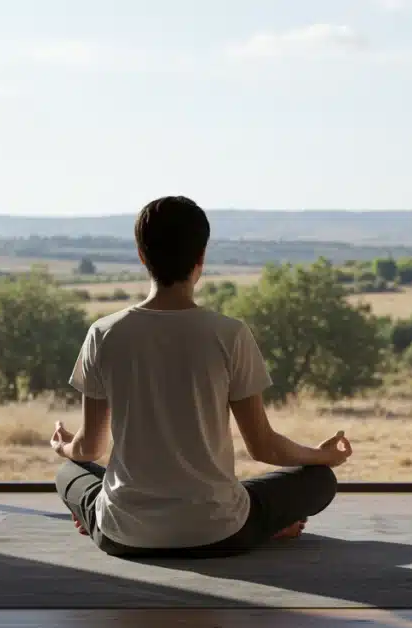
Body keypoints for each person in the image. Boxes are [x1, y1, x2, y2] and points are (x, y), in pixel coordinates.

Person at [51, 195, 352, 558]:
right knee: (319, 481)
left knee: (68, 473)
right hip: (220, 532)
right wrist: (321, 457)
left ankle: (94, 517)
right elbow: (264, 447)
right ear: (201, 258)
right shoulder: (229, 334)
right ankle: (267, 525)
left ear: (142, 256)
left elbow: (90, 449)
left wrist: (63, 447)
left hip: (124, 535)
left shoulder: (103, 334)